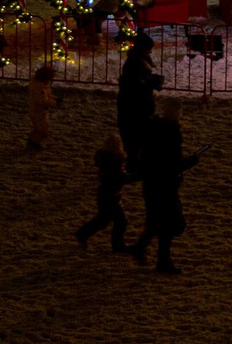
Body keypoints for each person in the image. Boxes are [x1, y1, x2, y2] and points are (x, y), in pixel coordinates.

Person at [129, 99, 201, 273]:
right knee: (169, 223)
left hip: (152, 182)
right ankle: (161, 261)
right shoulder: (171, 134)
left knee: (157, 220)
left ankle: (145, 249)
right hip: (165, 185)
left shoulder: (154, 129)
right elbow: (171, 165)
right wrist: (191, 161)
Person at [75, 133, 131, 252]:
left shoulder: (104, 160)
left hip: (104, 193)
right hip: (111, 195)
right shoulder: (114, 163)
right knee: (121, 221)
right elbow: (123, 178)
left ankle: (82, 234)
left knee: (103, 220)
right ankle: (118, 245)